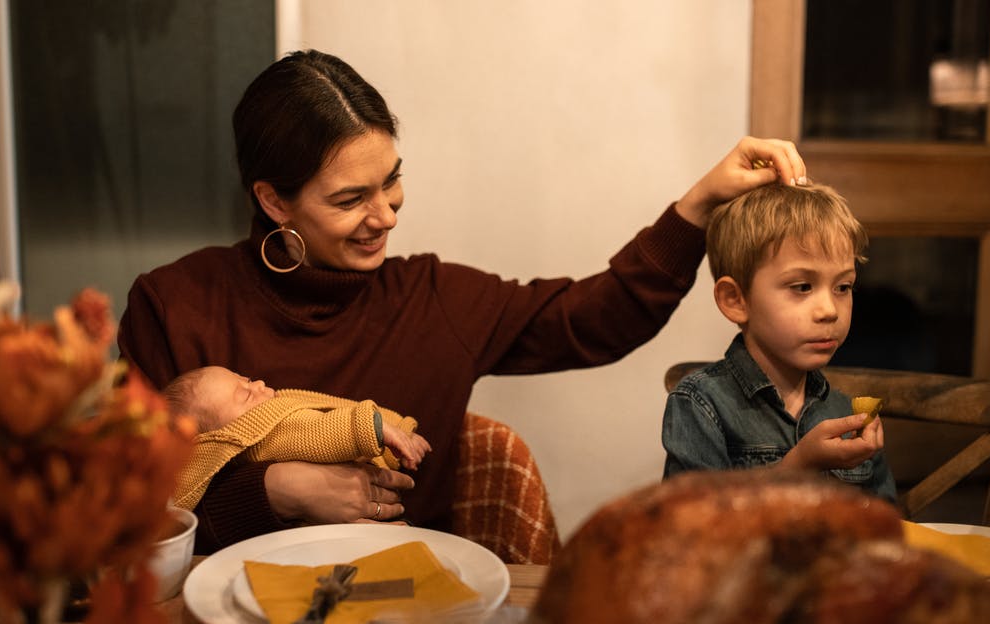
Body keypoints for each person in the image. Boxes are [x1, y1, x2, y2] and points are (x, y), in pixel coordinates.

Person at [118, 48, 812, 553]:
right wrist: (278, 490)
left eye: (391, 182)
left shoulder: (432, 299)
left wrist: (699, 205)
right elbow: (130, 518)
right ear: (273, 200)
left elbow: (600, 320)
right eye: (350, 199)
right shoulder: (173, 306)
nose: (386, 215)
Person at [660, 182, 896, 500]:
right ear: (736, 300)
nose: (829, 310)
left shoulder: (844, 412)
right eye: (801, 287)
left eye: (843, 287)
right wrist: (795, 469)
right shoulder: (702, 404)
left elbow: (888, 525)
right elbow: (689, 530)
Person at [163, 365, 431, 511]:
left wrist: (398, 429)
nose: (256, 385)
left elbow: (329, 410)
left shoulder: (270, 412)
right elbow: (320, 430)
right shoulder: (261, 435)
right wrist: (377, 429)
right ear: (221, 434)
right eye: (244, 394)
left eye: (245, 379)